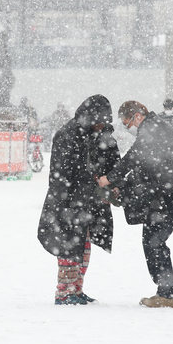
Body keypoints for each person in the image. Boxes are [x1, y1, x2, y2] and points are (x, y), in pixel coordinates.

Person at [98, 101, 173, 309]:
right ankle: (168, 291)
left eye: (127, 122)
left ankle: (169, 294)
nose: (128, 126)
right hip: (169, 192)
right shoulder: (157, 127)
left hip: (169, 195)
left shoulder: (151, 129)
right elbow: (146, 166)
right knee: (153, 241)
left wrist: (110, 178)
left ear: (137, 116)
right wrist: (123, 185)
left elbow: (135, 158)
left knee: (154, 241)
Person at [37, 95, 119, 305]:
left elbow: (110, 161)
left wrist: (109, 182)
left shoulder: (98, 134)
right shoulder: (68, 135)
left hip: (88, 200)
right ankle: (64, 292)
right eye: (100, 120)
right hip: (69, 200)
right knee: (69, 245)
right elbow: (63, 172)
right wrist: (88, 181)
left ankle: (77, 288)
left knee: (83, 244)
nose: (102, 124)